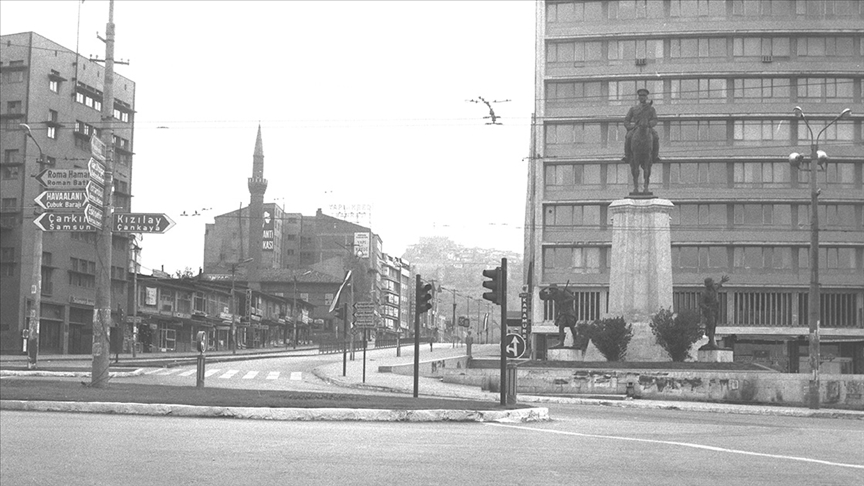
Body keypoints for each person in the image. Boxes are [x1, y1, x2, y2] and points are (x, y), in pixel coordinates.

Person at [623, 88, 660, 164]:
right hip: (636, 128)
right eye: (640, 95)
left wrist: (649, 124)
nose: (642, 97)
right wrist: (630, 127)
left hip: (648, 128)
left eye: (644, 95)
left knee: (655, 136)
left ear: (646, 97)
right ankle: (627, 156)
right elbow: (626, 120)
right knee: (628, 136)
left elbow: (655, 119)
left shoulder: (651, 109)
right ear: (638, 97)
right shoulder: (633, 109)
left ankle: (655, 156)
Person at [539, 284, 578, 349]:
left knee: (571, 326)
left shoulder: (562, 292)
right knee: (561, 326)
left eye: (552, 289)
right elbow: (544, 297)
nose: (551, 291)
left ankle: (576, 341)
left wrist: (564, 301)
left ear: (555, 289)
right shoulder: (553, 295)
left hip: (569, 311)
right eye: (550, 290)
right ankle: (561, 342)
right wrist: (541, 291)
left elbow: (572, 297)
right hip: (562, 312)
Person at [699, 275, 729, 349]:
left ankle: (711, 341)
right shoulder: (704, 292)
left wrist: (722, 281)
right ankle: (712, 343)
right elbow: (701, 303)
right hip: (709, 311)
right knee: (711, 326)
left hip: (715, 310)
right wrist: (707, 307)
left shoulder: (713, 289)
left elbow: (718, 285)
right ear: (708, 284)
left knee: (714, 325)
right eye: (712, 282)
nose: (713, 283)